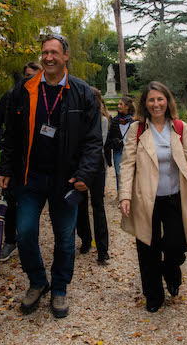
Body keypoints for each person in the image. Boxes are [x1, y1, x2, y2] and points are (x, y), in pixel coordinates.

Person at [0, 33, 101, 318]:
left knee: (65, 238)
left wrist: (85, 174)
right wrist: (5, 168)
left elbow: (93, 141)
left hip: (66, 181)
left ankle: (59, 289)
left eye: (54, 52)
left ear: (66, 56)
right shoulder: (25, 90)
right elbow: (11, 136)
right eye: (45, 52)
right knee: (25, 231)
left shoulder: (82, 93)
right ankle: (37, 280)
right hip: (30, 177)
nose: (49, 57)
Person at [118, 81, 187, 313]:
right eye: (151, 100)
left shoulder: (180, 128)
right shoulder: (138, 130)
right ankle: (153, 295)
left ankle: (171, 270)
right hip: (146, 199)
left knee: (177, 245)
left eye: (160, 99)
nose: (156, 104)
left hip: (175, 197)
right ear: (145, 103)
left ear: (167, 101)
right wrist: (125, 195)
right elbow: (127, 164)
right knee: (147, 247)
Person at [0, 61, 41, 262]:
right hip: (13, 159)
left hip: (37, 160)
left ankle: (29, 240)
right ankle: (10, 241)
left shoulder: (45, 98)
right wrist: (2, 141)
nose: (30, 79)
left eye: (34, 76)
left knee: (32, 203)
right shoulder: (12, 96)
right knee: (10, 201)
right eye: (27, 75)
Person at [76, 87, 111, 265]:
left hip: (96, 166)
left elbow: (100, 144)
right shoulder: (78, 116)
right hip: (79, 165)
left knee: (98, 205)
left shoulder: (103, 119)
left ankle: (103, 249)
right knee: (80, 204)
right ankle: (85, 239)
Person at [105, 96, 135, 189]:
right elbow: (108, 139)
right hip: (119, 150)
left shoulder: (134, 121)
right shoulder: (114, 121)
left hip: (132, 150)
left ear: (127, 107)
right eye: (118, 104)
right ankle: (120, 194)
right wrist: (114, 142)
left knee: (132, 172)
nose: (118, 106)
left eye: (121, 104)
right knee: (119, 173)